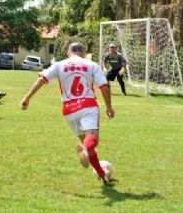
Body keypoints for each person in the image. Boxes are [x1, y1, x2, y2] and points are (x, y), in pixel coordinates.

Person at [20, 43, 115, 184]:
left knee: (88, 145)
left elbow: (42, 79)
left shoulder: (59, 65)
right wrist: (109, 107)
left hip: (69, 109)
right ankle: (86, 149)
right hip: (88, 105)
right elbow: (104, 86)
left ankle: (102, 175)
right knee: (92, 140)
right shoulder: (91, 65)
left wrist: (26, 98)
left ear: (68, 53)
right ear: (82, 53)